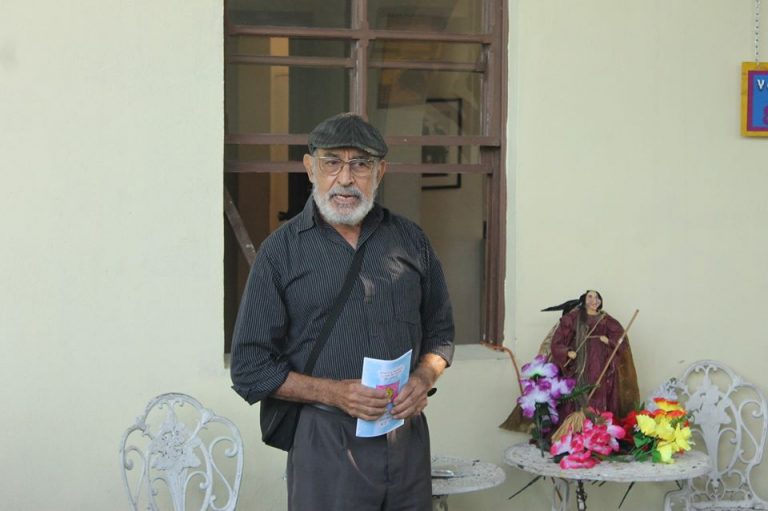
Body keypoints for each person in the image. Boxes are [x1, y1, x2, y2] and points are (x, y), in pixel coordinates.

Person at [230, 112, 455, 511]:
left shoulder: (410, 240)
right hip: (325, 440)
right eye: (332, 162)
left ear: (380, 172)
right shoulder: (281, 252)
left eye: (360, 164)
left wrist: (423, 378)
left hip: (405, 439)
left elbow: (441, 333)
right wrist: (335, 393)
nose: (346, 179)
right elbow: (250, 367)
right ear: (310, 168)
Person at [550, 290, 639, 419]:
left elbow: (621, 338)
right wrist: (567, 352)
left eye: (597, 297)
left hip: (599, 362)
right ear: (584, 300)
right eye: (590, 297)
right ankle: (577, 422)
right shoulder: (573, 317)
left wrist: (608, 341)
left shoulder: (605, 319)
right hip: (578, 362)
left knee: (598, 389)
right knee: (577, 390)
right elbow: (557, 340)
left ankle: (597, 422)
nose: (594, 300)